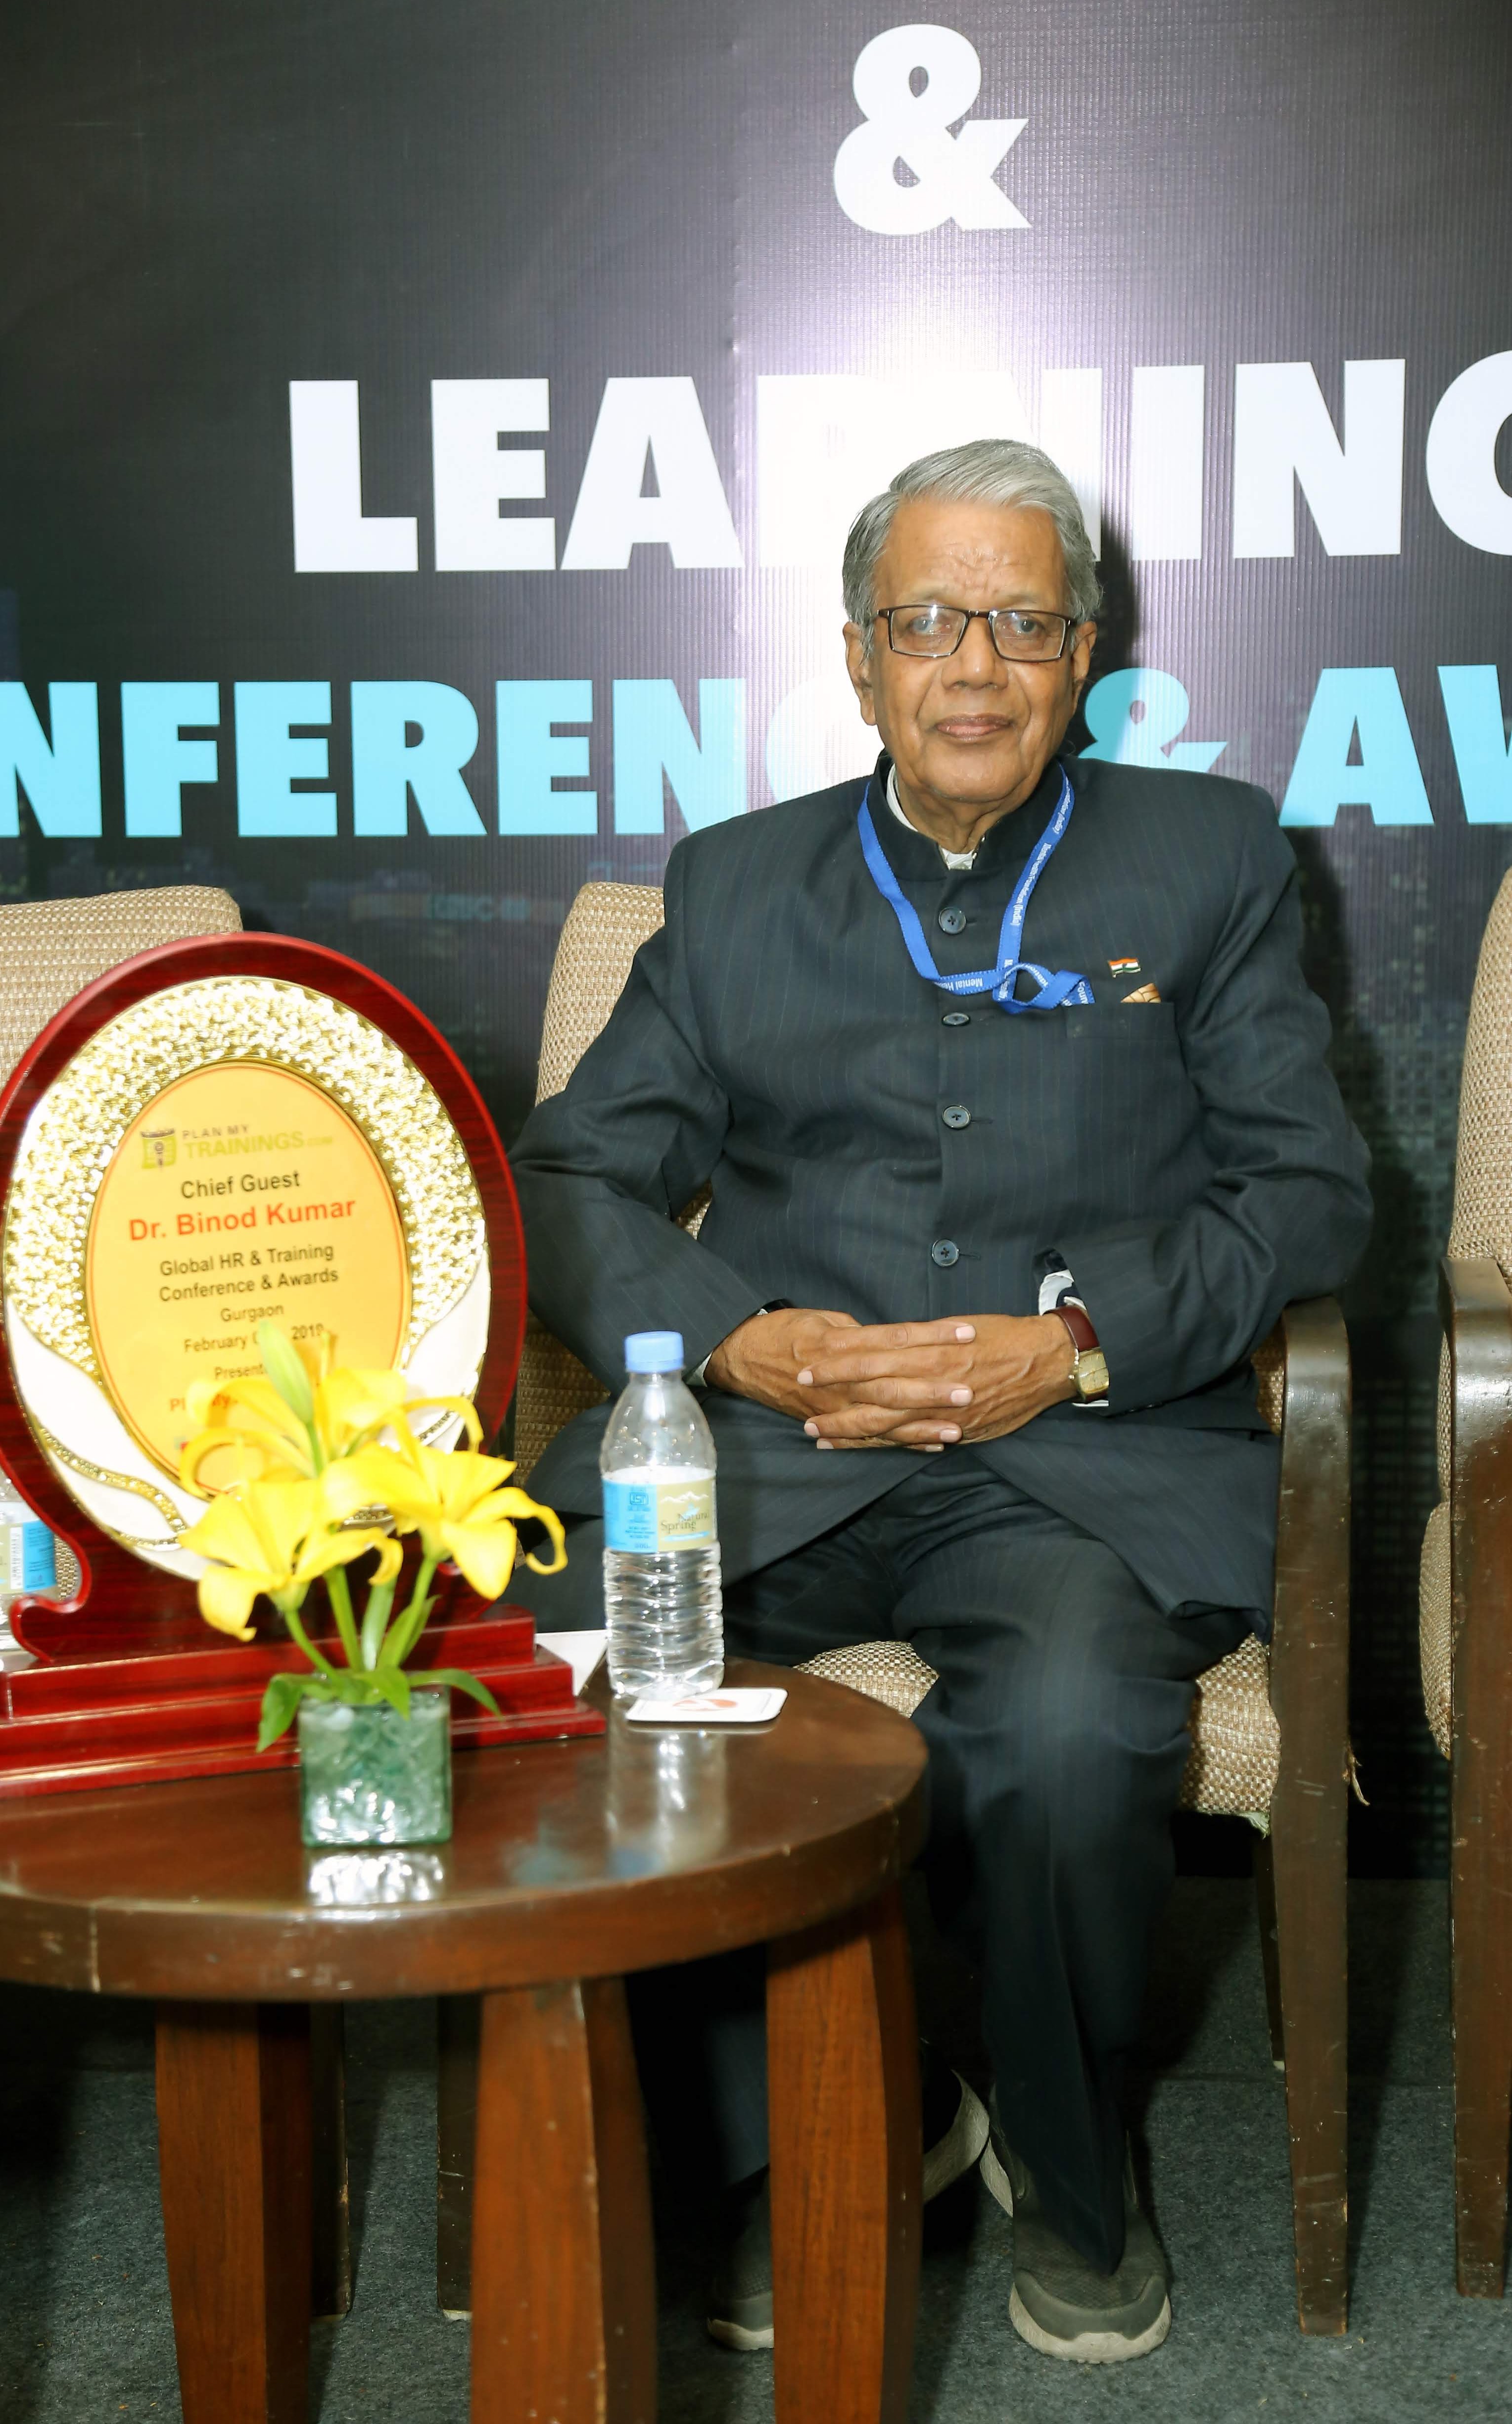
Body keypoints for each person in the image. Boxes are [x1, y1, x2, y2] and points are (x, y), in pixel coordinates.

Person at [508, 438, 1371, 2364]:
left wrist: (1066, 1345)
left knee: (1061, 1729)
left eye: (1018, 623)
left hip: (1077, 1455)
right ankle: (831, 2124)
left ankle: (1066, 2163)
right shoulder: (738, 887)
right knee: (566, 1646)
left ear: (1083, 655)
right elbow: (566, 1179)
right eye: (924, 621)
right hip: (777, 1442)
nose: (970, 664)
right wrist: (743, 1338)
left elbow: (1307, 1194)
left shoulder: (1211, 858)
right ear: (856, 653)